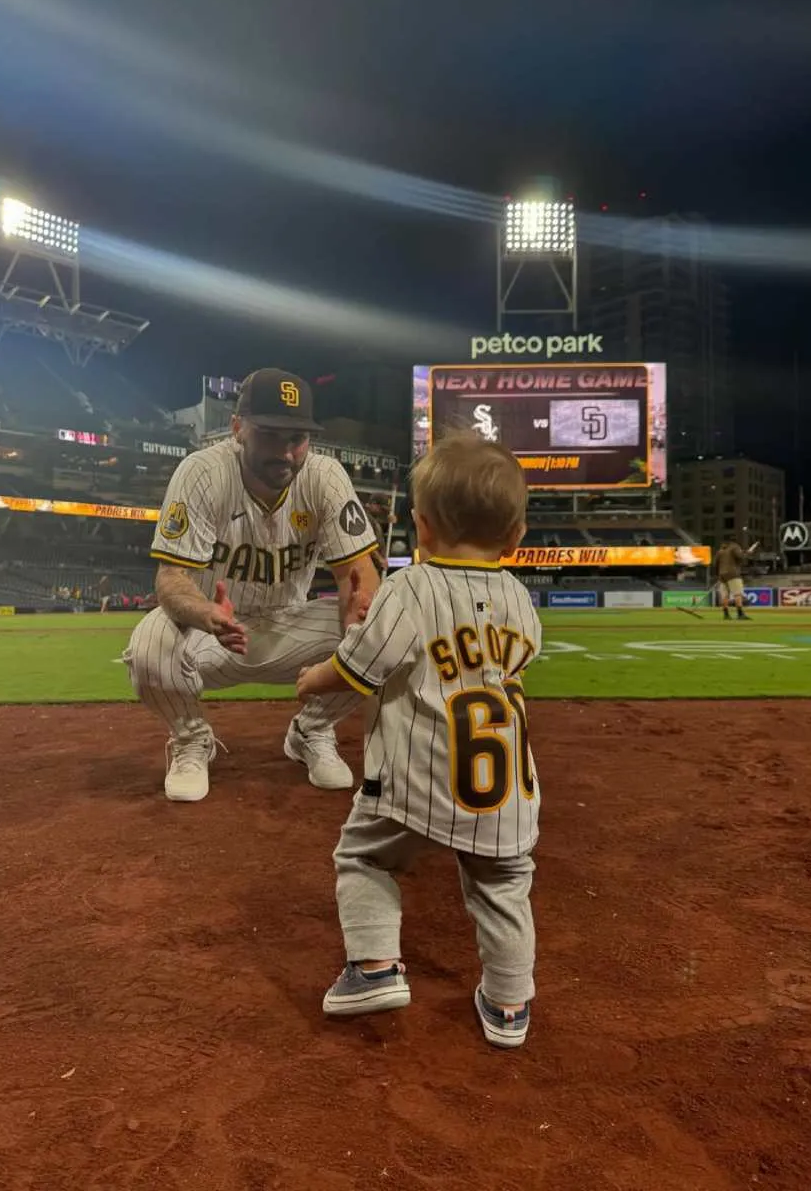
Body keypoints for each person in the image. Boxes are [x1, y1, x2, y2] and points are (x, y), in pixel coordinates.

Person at [297, 430, 542, 1048]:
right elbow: (517, 657)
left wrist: (311, 679)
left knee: (365, 856)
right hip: (506, 794)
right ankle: (510, 1005)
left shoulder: (410, 587)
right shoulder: (519, 596)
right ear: (515, 539)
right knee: (504, 887)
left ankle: (374, 968)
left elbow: (357, 670)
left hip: (417, 780)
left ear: (422, 527)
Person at [123, 368, 381, 802]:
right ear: (238, 427)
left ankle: (311, 731)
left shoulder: (324, 475)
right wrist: (203, 613)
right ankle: (191, 740)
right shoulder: (202, 473)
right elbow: (171, 579)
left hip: (289, 628)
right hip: (211, 633)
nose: (286, 451)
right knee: (148, 645)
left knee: (382, 628)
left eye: (297, 438)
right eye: (271, 435)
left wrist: (361, 622)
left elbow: (357, 574)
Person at [714, 535, 755, 621]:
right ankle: (740, 614)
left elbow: (716, 564)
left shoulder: (721, 550)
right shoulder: (735, 546)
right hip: (733, 574)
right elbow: (740, 556)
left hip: (722, 575)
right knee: (737, 594)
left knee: (725, 596)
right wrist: (748, 553)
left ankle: (726, 614)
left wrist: (718, 574)